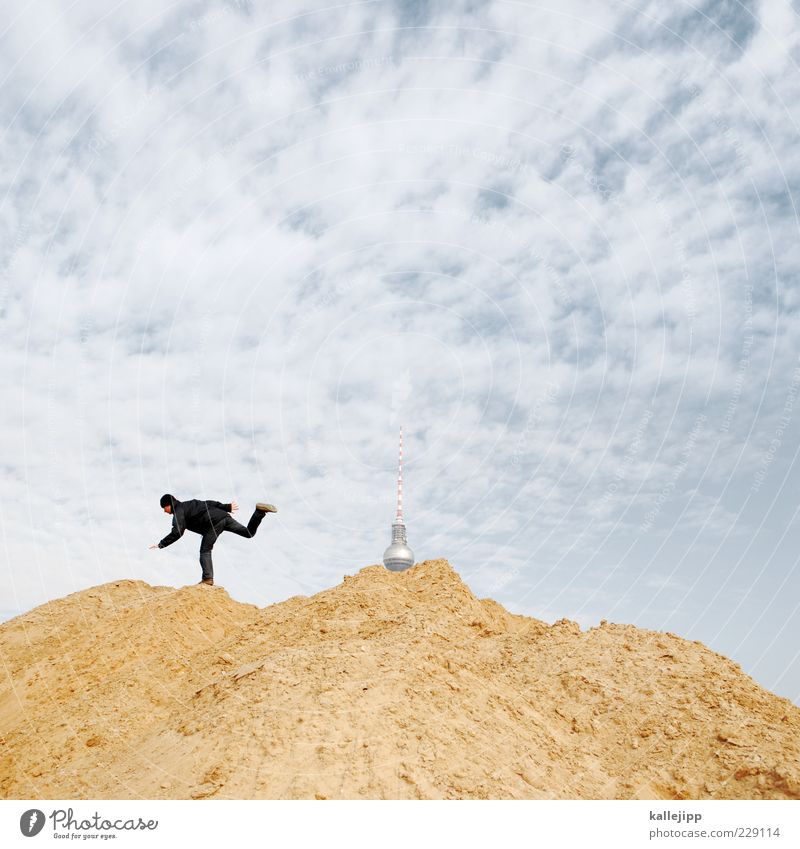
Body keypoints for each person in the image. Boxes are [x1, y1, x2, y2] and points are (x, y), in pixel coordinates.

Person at [150, 494, 277, 585]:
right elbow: (208, 503)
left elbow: (178, 531)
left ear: (168, 505)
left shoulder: (179, 511)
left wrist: (161, 544)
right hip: (223, 517)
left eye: (164, 508)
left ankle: (207, 579)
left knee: (205, 550)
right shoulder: (190, 503)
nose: (164, 511)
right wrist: (226, 507)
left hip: (213, 523)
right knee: (248, 533)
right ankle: (259, 512)